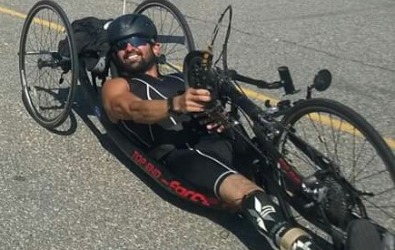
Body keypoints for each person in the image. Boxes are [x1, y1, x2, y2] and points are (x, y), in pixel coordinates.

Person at [101, 13, 389, 250]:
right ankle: (299, 244)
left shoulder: (179, 77)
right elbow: (129, 109)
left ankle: (356, 226)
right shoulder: (119, 85)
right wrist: (175, 104)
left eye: (136, 41)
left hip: (215, 139)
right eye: (121, 46)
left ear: (156, 47)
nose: (129, 48)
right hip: (183, 154)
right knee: (248, 191)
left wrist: (216, 116)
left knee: (275, 165)